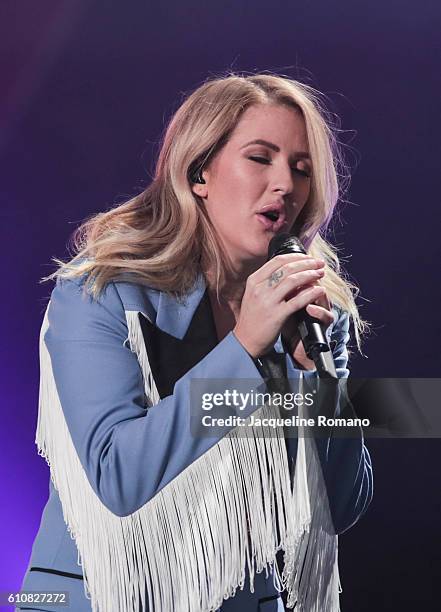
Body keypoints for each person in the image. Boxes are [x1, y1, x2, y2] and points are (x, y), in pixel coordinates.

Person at [18, 73, 373, 612]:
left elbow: (340, 506)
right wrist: (244, 350)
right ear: (200, 172)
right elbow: (120, 477)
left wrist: (323, 382)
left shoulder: (309, 310)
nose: (286, 184)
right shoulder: (102, 293)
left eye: (302, 169)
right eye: (260, 158)